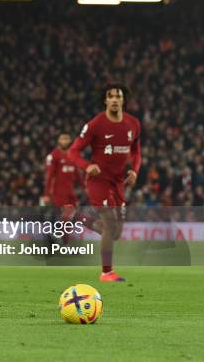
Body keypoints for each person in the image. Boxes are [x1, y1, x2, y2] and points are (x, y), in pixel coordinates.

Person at [67, 83, 141, 282]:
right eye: (111, 96)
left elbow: (136, 151)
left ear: (124, 100)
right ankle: (107, 272)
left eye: (119, 96)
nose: (115, 99)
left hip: (118, 183)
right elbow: (73, 151)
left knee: (115, 233)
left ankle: (80, 218)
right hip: (98, 181)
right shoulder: (95, 124)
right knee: (109, 224)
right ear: (106, 100)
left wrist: (134, 170)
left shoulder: (133, 123)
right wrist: (87, 166)